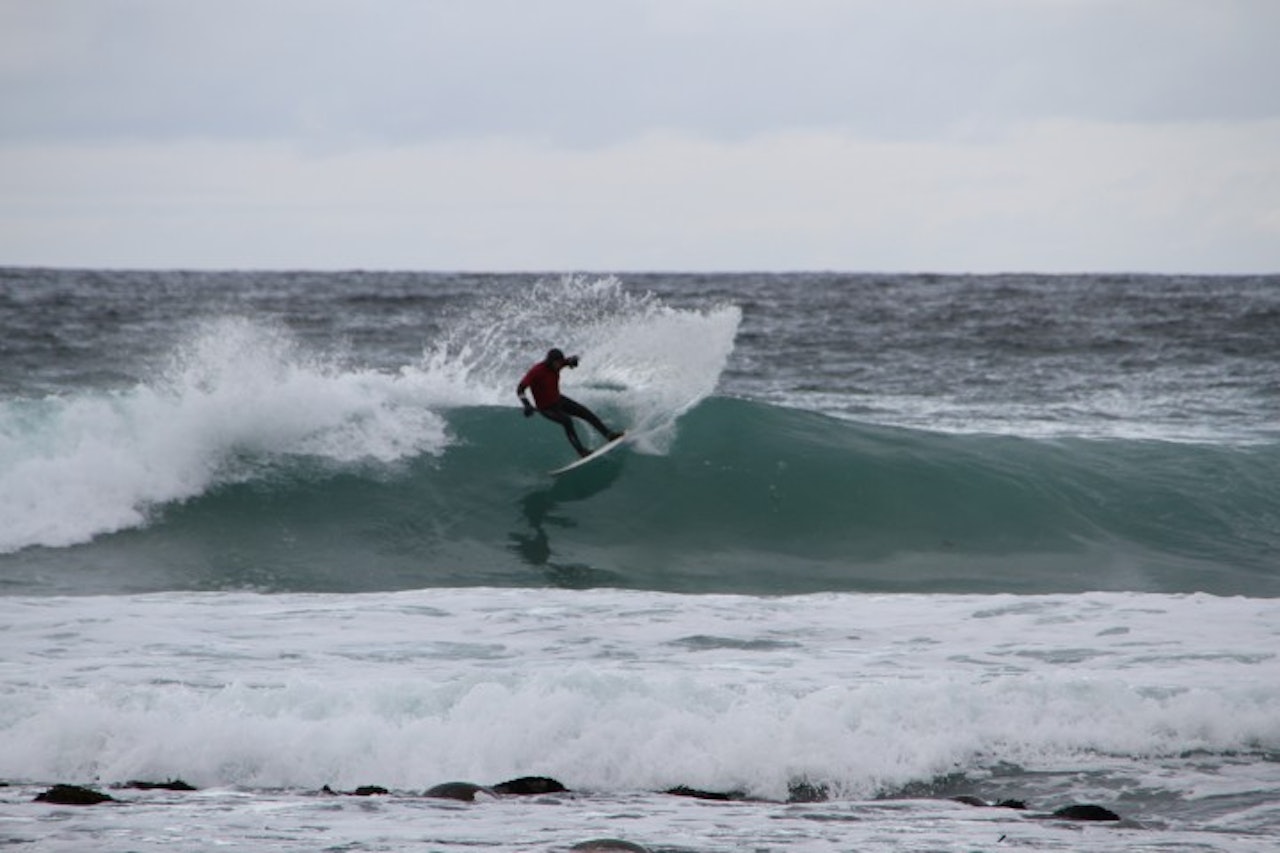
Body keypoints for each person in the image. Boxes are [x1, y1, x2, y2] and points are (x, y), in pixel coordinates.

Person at [517, 348, 623, 457]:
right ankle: (582, 451)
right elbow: (520, 389)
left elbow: (569, 360)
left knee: (584, 412)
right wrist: (527, 404)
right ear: (550, 362)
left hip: (558, 400)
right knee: (567, 421)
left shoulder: (557, 364)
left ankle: (609, 435)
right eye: (557, 363)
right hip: (546, 408)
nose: (559, 365)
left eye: (560, 363)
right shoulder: (536, 371)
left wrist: (573, 360)